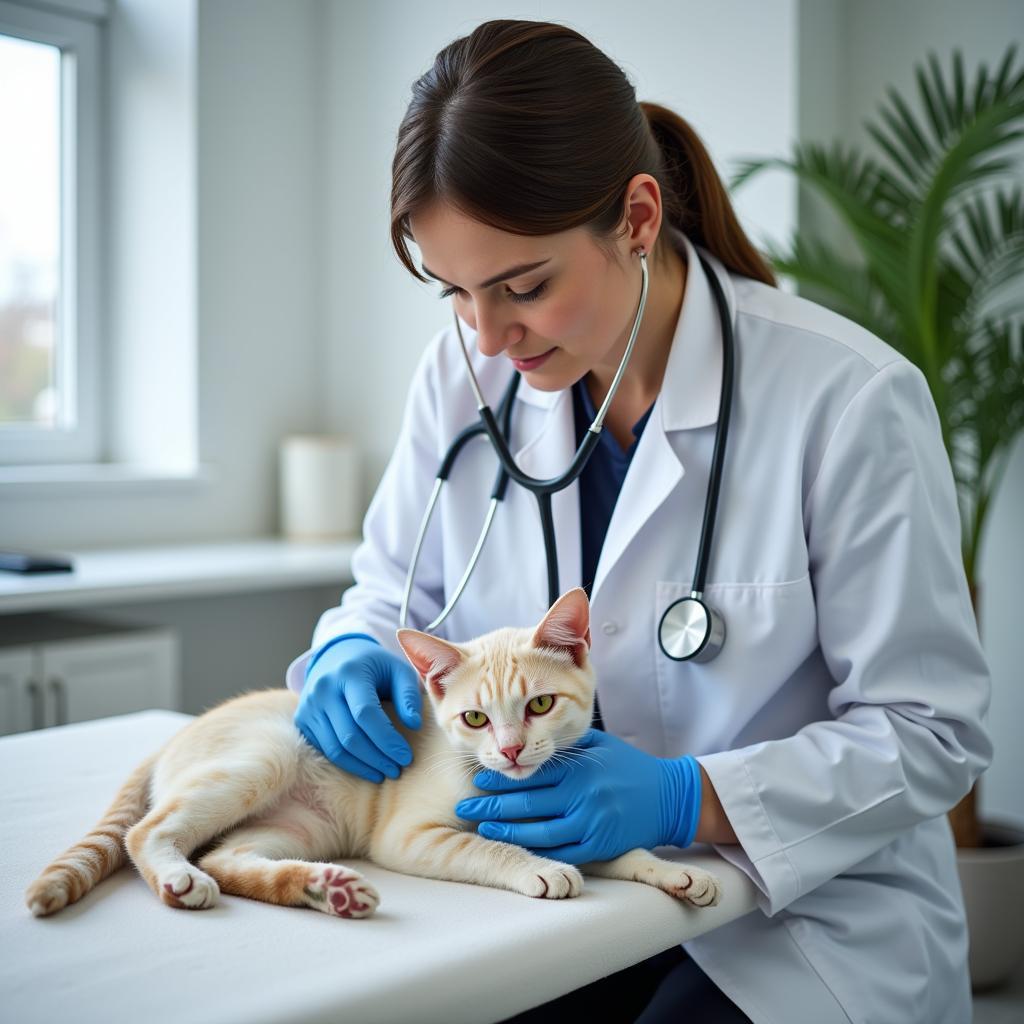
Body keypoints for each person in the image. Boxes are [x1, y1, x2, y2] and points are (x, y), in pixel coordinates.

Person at [285, 19, 992, 1024]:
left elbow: (932, 730)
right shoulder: (464, 373)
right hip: (531, 882)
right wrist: (348, 648)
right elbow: (393, 593)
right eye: (456, 294)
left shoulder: (846, 396)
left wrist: (684, 796)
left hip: (791, 916)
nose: (487, 335)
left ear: (638, 216)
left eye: (523, 287)